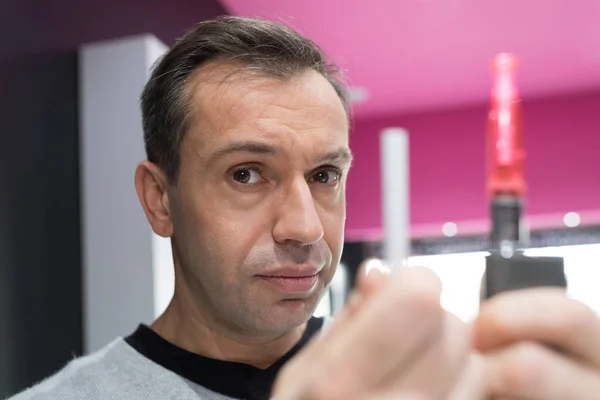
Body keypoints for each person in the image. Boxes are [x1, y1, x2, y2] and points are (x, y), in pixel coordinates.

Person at [8, 15, 600, 400]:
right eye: (246, 173)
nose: (305, 227)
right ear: (160, 200)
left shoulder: (423, 381)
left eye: (324, 175)